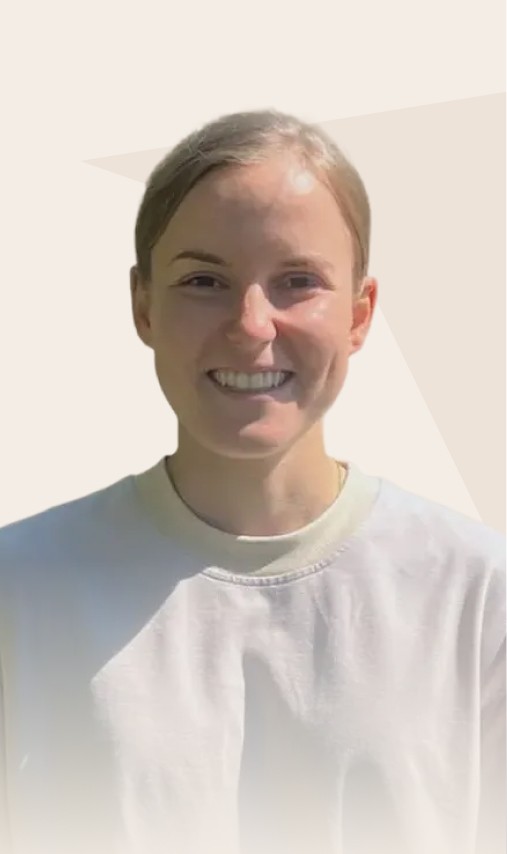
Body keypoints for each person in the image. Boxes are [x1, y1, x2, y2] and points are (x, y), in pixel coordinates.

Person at [0, 109, 504, 854]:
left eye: (297, 281)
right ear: (143, 305)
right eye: (204, 279)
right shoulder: (22, 589)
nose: (250, 324)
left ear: (360, 313)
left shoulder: (475, 594)